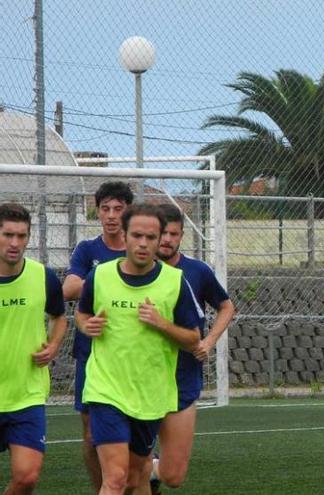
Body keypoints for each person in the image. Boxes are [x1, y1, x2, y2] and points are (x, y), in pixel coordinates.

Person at [75, 203, 202, 495]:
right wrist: (85, 325)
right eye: (137, 236)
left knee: (137, 475)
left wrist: (162, 324)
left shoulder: (175, 283)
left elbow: (193, 339)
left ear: (160, 240)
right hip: (106, 389)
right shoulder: (100, 276)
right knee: (116, 479)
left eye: (150, 237)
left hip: (150, 395)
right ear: (125, 235)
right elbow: (82, 313)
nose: (143, 244)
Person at [134, 203, 236, 495]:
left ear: (181, 236)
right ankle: (139, 471)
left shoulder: (196, 271)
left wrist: (208, 340)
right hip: (140, 380)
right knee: (129, 471)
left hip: (182, 379)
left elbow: (226, 306)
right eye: (162, 233)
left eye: (174, 234)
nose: (167, 240)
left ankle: (150, 470)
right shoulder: (134, 271)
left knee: (174, 476)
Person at [62, 181, 133, 491]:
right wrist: (107, 274)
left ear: (129, 211)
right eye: (105, 209)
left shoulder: (141, 248)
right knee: (92, 437)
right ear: (98, 211)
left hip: (132, 352)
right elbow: (68, 290)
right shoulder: (88, 250)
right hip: (91, 352)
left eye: (118, 209)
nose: (111, 215)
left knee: (137, 430)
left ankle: (137, 480)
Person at [0, 203, 66, 495]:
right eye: (7, 235)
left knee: (27, 477)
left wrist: (53, 346)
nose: (15, 243)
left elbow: (59, 316)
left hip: (27, 395)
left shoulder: (43, 277)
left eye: (21, 236)